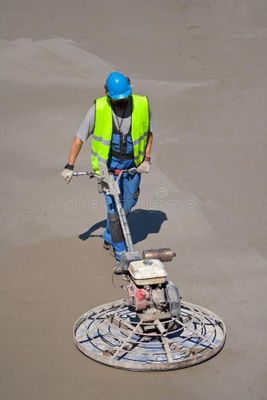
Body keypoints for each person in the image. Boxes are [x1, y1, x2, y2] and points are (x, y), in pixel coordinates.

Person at [61, 71, 153, 265]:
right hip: (107, 168)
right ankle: (121, 253)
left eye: (124, 99)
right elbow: (79, 137)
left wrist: (147, 159)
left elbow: (149, 133)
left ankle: (110, 236)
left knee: (128, 203)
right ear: (107, 95)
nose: (120, 103)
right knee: (114, 209)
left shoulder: (142, 104)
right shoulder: (98, 108)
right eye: (116, 100)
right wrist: (70, 165)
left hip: (132, 166)